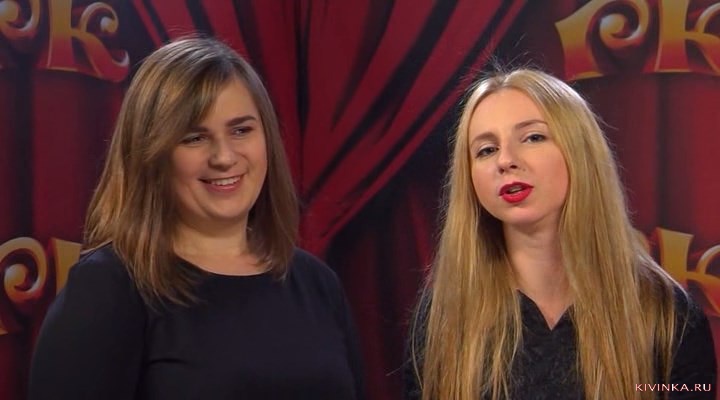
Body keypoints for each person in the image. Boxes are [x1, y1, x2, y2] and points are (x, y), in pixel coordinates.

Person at [29, 36, 364, 400]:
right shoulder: (109, 288)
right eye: (194, 138)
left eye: (241, 130)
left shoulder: (317, 284)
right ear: (151, 155)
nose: (224, 157)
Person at [404, 68, 716, 400]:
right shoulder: (443, 317)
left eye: (533, 137)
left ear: (580, 152)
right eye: (486, 150)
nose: (505, 160)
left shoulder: (666, 315)